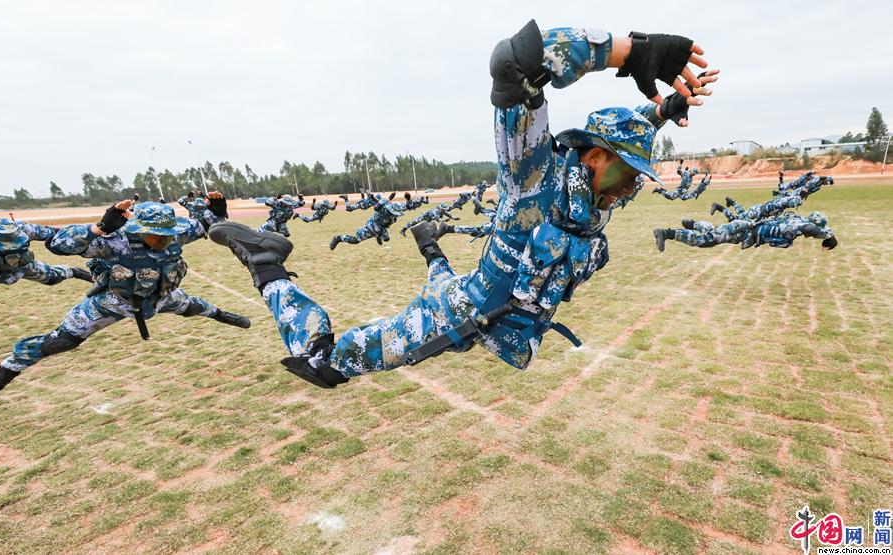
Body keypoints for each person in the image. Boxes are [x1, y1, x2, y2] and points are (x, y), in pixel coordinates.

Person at [207, 20, 716, 388]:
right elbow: (515, 58)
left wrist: (664, 112)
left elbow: (622, 144)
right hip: (456, 317)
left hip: (490, 318)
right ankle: (266, 263)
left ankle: (429, 245)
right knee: (325, 364)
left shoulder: (597, 192)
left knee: (451, 279)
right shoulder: (533, 170)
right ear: (595, 156)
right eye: (628, 174)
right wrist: (629, 51)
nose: (632, 189)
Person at [0, 196, 251, 397]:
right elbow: (59, 245)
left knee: (194, 306)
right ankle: (2, 375)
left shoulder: (174, 234)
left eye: (165, 236)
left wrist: (216, 212)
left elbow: (203, 225)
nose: (162, 240)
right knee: (59, 342)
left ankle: (223, 315)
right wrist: (99, 228)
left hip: (161, 296)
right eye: (155, 236)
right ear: (138, 229)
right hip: (113, 302)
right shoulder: (114, 241)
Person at [653, 211, 836, 252]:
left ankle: (693, 224)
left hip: (746, 232)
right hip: (745, 228)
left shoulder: (798, 219)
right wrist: (827, 237)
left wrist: (829, 237)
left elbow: (817, 227)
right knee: (705, 241)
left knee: (715, 234)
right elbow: (811, 229)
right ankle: (666, 233)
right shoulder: (799, 225)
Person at [0, 219, 92, 286]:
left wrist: (91, 233)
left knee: (51, 278)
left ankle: (77, 272)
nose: (11, 262)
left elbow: (51, 232)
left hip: (22, 268)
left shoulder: (19, 229)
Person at [329, 192, 405, 248]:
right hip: (372, 226)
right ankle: (338, 238)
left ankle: (379, 236)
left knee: (387, 239)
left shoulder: (393, 214)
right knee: (356, 240)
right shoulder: (383, 208)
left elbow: (388, 222)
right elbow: (377, 207)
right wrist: (374, 200)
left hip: (381, 228)